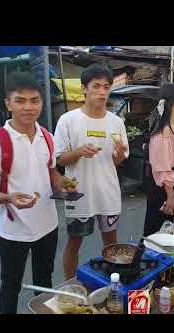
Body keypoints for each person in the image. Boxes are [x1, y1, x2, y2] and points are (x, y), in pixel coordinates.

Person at [0, 72, 72, 314]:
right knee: (11, 285)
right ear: (8, 103)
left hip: (47, 224)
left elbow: (51, 174)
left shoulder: (47, 138)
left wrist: (63, 182)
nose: (28, 107)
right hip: (12, 228)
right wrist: (8, 198)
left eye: (35, 100)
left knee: (44, 282)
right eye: (20, 101)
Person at [55, 64, 129, 279]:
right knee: (74, 242)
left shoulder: (116, 122)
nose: (102, 92)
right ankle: (69, 284)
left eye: (106, 87)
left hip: (108, 193)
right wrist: (78, 152)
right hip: (79, 194)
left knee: (111, 242)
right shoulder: (68, 120)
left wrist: (119, 154)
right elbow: (60, 159)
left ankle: (114, 281)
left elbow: (116, 162)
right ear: (84, 89)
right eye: (96, 86)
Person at [143, 83, 174, 236]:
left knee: (172, 230)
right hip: (165, 187)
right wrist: (170, 196)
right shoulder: (163, 131)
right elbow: (161, 166)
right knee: (158, 231)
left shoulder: (172, 124)